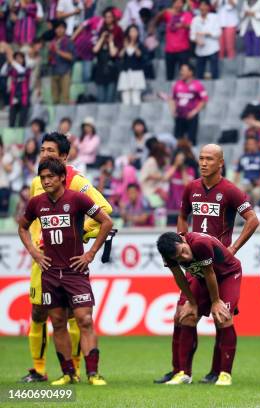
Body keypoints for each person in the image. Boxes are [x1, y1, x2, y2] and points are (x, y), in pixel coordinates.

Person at [154, 144, 259, 385]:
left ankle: (218, 372)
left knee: (221, 314)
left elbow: (253, 220)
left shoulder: (231, 191)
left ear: (220, 163)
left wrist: (232, 248)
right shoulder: (191, 188)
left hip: (221, 265)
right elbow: (183, 215)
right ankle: (179, 371)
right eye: (201, 158)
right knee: (182, 314)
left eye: (209, 159)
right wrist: (180, 242)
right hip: (195, 261)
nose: (203, 163)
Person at [19, 132, 113, 384]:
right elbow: (28, 221)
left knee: (77, 317)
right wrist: (35, 251)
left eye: (50, 151)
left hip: (69, 262)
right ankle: (39, 370)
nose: (45, 155)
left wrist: (81, 234)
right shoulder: (38, 183)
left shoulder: (76, 181)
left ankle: (81, 370)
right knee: (41, 314)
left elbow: (105, 211)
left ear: (63, 156)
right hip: (44, 262)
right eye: (42, 150)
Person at [157, 231, 241, 385]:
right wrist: (192, 302)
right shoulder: (167, 253)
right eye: (178, 258)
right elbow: (179, 276)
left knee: (222, 317)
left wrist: (215, 301)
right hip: (202, 278)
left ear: (183, 240)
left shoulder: (200, 243)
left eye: (183, 251)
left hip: (227, 275)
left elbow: (210, 273)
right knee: (187, 316)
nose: (185, 258)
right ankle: (184, 374)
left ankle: (225, 374)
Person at [152, 0, 193, 81]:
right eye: (176, 2)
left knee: (185, 75)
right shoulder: (168, 13)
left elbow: (191, 26)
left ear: (183, 4)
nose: (178, 4)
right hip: (170, 50)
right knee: (169, 76)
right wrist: (163, 12)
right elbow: (156, 22)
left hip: (183, 50)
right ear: (173, 4)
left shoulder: (187, 14)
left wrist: (183, 25)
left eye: (181, 2)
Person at [170, 63, 208, 145]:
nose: (181, 72)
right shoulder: (177, 84)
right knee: (177, 140)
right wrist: (173, 111)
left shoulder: (198, 85)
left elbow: (204, 100)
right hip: (179, 116)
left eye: (183, 70)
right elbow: (173, 99)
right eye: (181, 70)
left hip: (191, 117)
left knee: (191, 140)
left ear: (190, 72)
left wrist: (194, 112)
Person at [165, 140, 197, 226]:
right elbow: (165, 178)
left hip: (185, 208)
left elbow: (187, 184)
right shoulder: (171, 169)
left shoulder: (190, 171)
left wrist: (183, 169)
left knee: (185, 234)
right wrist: (176, 165)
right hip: (171, 207)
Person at [234, 136, 260, 204]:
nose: (250, 145)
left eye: (252, 144)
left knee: (256, 193)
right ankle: (239, 210)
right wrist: (235, 183)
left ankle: (256, 210)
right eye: (248, 144)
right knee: (238, 191)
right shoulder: (243, 157)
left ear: (256, 144)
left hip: (257, 183)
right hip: (245, 183)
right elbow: (237, 171)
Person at [190, 0, 221, 80]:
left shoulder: (214, 17)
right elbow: (192, 35)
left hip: (212, 48)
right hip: (200, 50)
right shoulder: (195, 19)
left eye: (204, 5)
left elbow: (218, 32)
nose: (202, 7)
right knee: (199, 73)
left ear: (208, 7)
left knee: (214, 73)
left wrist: (207, 33)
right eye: (201, 6)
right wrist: (197, 41)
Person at [1, 47, 31, 127]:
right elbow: (2, 73)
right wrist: (7, 62)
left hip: (24, 97)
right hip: (13, 97)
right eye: (16, 58)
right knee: (11, 122)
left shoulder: (27, 69)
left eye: (20, 58)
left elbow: (21, 71)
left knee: (22, 122)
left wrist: (12, 61)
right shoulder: (12, 69)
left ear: (24, 59)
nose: (18, 60)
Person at [117, 24, 146, 105]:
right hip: (126, 73)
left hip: (136, 72)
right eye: (131, 31)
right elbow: (120, 56)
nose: (133, 33)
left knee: (136, 97)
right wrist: (125, 46)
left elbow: (139, 55)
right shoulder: (124, 44)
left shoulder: (140, 45)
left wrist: (134, 45)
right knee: (125, 96)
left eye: (135, 31)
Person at [48, 21, 75, 105]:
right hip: (54, 71)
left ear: (65, 29)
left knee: (65, 98)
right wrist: (50, 52)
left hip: (65, 72)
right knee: (55, 99)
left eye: (61, 28)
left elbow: (71, 57)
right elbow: (49, 59)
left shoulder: (68, 42)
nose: (59, 30)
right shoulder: (52, 42)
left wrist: (58, 51)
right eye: (57, 28)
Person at [93, 24, 119, 103]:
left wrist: (111, 41)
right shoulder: (98, 45)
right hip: (100, 73)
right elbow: (95, 50)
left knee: (109, 98)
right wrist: (101, 38)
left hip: (111, 73)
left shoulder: (114, 45)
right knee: (101, 98)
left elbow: (113, 54)